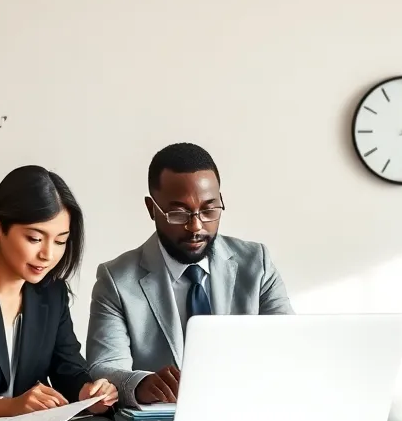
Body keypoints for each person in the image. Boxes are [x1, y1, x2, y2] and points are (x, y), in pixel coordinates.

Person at [86, 142, 293, 407]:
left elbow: (288, 346)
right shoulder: (116, 279)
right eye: (178, 212)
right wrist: (141, 384)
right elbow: (104, 367)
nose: (195, 226)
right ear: (152, 209)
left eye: (209, 210)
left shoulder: (257, 263)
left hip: (249, 413)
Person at [0, 165, 117, 421]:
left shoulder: (52, 293)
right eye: (35, 238)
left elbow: (68, 368)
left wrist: (90, 393)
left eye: (60, 241)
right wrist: (7, 406)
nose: (48, 254)